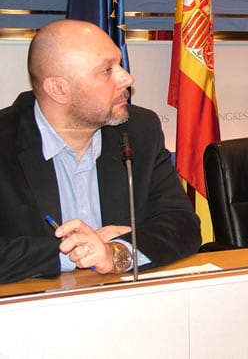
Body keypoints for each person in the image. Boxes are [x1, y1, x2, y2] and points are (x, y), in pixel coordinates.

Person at [0, 19, 201, 284]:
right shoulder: (6, 140)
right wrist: (77, 253)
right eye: (107, 70)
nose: (126, 78)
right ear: (58, 89)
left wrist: (116, 252)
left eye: (119, 63)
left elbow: (183, 225)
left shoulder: (140, 129)